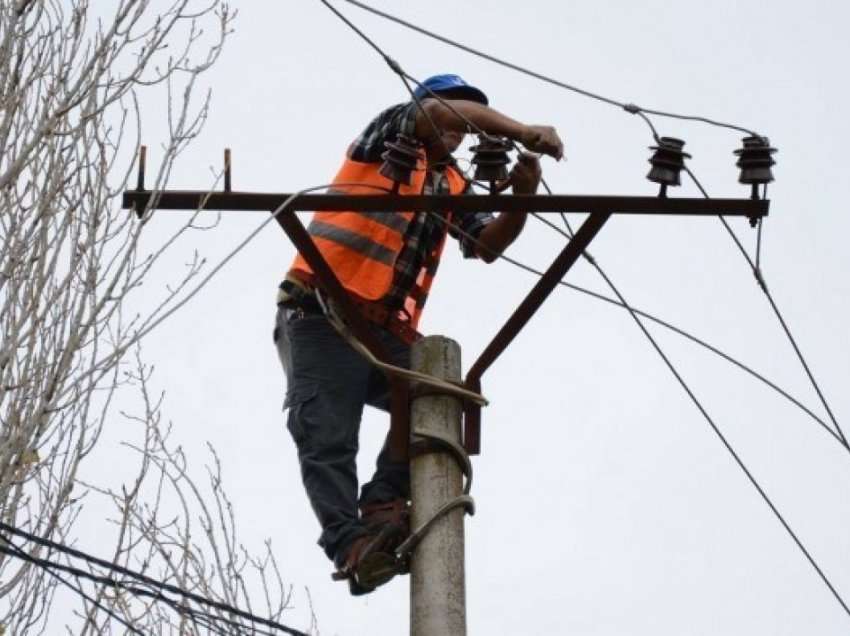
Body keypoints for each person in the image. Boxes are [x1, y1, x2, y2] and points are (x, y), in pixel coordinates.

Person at [274, 74, 563, 594]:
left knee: (439, 404)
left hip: (383, 331)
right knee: (327, 433)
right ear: (430, 109)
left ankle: (385, 503)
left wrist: (521, 196)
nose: (462, 130)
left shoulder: (452, 183)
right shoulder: (388, 137)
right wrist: (522, 130)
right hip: (322, 310)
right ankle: (351, 545)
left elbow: (487, 244)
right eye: (459, 115)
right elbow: (440, 115)